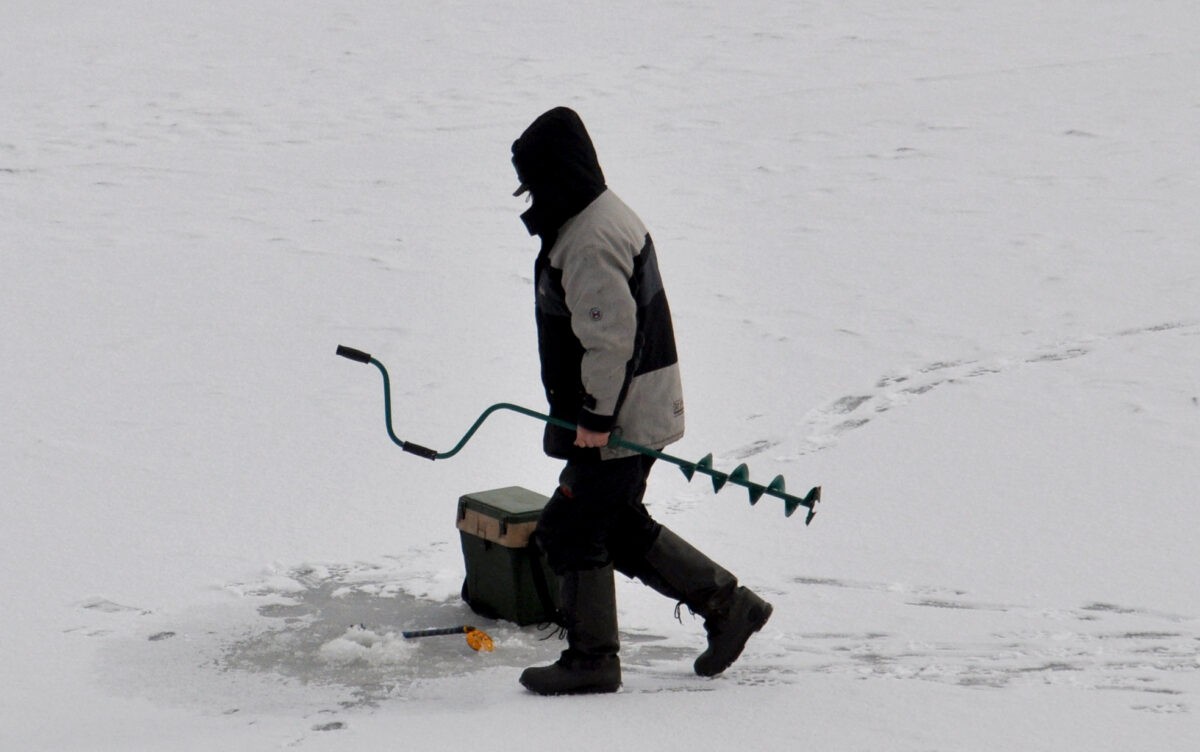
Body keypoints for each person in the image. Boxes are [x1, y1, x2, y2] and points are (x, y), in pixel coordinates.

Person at [510, 107, 774, 695]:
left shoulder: (589, 239)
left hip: (620, 416)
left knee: (571, 529)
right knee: (615, 525)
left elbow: (611, 340)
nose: (531, 196)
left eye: (534, 182)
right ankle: (729, 606)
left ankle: (592, 661)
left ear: (559, 173)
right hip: (631, 407)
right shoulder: (594, 216)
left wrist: (595, 417)